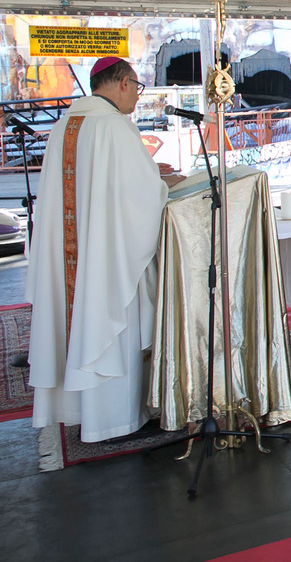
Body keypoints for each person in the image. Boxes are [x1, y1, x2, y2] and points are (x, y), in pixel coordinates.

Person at [26, 56, 179, 443]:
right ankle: (114, 419)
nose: (136, 98)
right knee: (111, 320)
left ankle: (76, 411)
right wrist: (162, 182)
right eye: (137, 87)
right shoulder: (114, 128)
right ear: (124, 83)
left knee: (71, 320)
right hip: (104, 258)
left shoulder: (64, 127)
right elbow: (139, 199)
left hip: (68, 257)